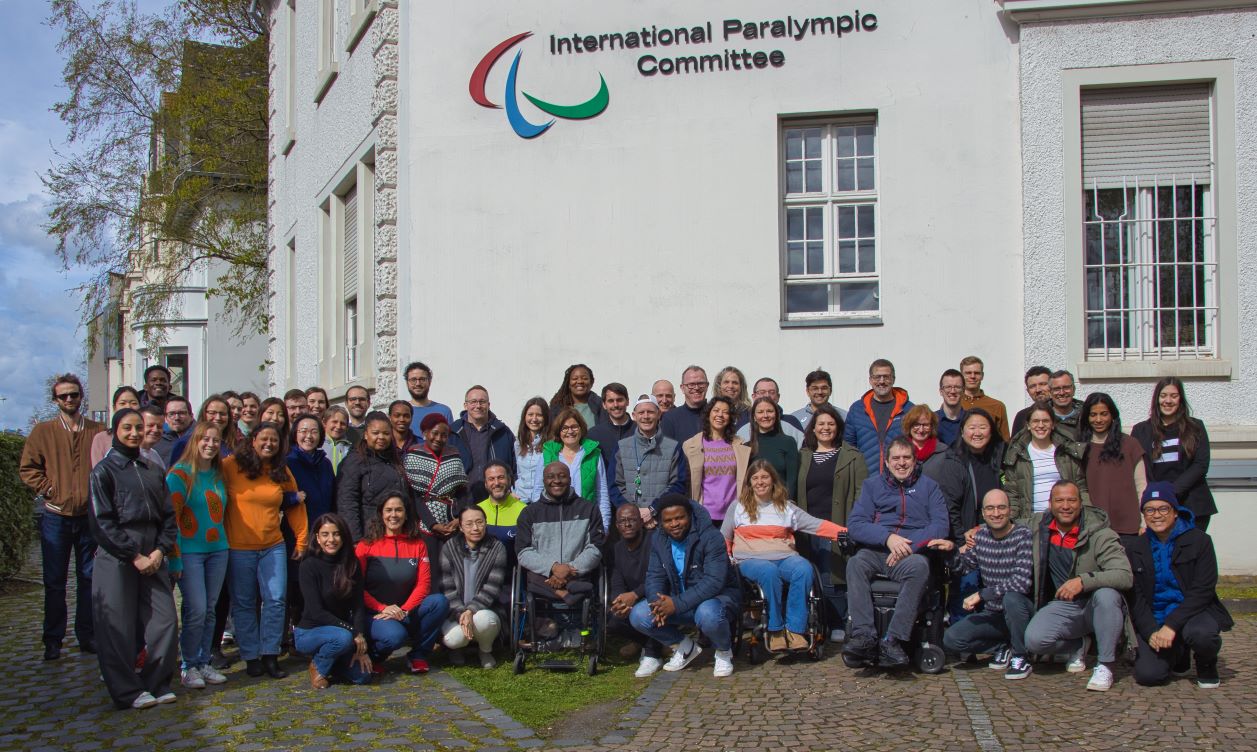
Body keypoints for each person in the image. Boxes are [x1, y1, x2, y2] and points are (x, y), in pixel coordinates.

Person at [87, 408, 178, 709]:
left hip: (152, 550)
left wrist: (159, 550)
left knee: (164, 620)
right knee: (117, 626)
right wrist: (133, 555)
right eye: (127, 428)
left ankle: (156, 681)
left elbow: (168, 516)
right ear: (115, 431)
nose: (134, 433)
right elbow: (102, 522)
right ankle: (126, 691)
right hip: (118, 555)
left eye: (139, 427)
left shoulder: (153, 470)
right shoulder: (103, 472)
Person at [842, 438, 949, 669]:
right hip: (877, 550)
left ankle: (893, 639)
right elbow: (856, 524)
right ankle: (864, 636)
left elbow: (940, 525)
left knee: (920, 567)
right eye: (896, 459)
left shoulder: (929, 487)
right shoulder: (872, 486)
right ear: (887, 462)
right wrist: (888, 538)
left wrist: (908, 546)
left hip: (910, 554)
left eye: (906, 458)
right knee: (855, 564)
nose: (901, 463)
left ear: (914, 460)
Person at [20, 373, 105, 660]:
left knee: (88, 579)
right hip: (55, 517)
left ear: (82, 396)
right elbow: (29, 468)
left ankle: (87, 635)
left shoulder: (97, 430)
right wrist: (48, 488)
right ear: (55, 400)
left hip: (88, 517)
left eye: (74, 394)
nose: (70, 399)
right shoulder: (43, 432)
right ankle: (53, 639)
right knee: (55, 582)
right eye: (63, 396)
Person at [723, 461, 844, 652]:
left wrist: (844, 533)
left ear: (773, 481)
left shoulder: (786, 508)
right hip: (750, 560)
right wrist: (727, 558)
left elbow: (816, 525)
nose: (760, 482)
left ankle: (794, 630)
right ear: (749, 482)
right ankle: (775, 630)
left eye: (765, 477)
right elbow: (725, 538)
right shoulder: (737, 507)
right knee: (768, 571)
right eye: (755, 478)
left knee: (803, 569)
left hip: (784, 557)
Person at [1024, 481, 1132, 692]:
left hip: (1096, 604)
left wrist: (1083, 581)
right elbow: (1007, 523)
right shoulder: (1040, 526)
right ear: (1050, 504)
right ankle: (1078, 645)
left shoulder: (1101, 533)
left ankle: (1105, 664)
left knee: (1107, 595)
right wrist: (974, 531)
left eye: (1071, 500)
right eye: (1060, 500)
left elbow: (1124, 575)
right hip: (1066, 606)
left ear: (1081, 503)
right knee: (1034, 641)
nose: (1066, 506)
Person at [222, 421, 308, 679]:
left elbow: (296, 504)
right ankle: (250, 656)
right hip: (239, 547)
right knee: (244, 603)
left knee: (276, 599)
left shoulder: (280, 470)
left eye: (274, 440)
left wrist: (302, 539)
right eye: (264, 439)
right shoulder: (230, 466)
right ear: (253, 440)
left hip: (273, 546)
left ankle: (270, 654)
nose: (269, 444)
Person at [1126, 483, 1231, 688]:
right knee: (1148, 675)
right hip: (1156, 616)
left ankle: (1206, 661)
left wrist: (1171, 626)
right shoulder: (1135, 547)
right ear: (1144, 515)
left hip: (1193, 613)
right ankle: (1178, 652)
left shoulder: (1200, 541)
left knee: (1202, 635)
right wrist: (1150, 632)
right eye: (1150, 509)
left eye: (1163, 508)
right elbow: (1135, 596)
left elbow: (1203, 590)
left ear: (1175, 512)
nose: (1156, 515)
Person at [628, 493, 740, 678]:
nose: (674, 524)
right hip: (679, 599)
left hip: (715, 599)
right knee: (639, 615)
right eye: (668, 520)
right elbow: (654, 575)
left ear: (689, 516)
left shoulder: (711, 537)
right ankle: (684, 646)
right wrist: (657, 603)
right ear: (661, 522)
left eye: (680, 517)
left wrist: (676, 604)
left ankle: (723, 651)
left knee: (708, 614)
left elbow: (714, 581)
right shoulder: (659, 539)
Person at [931, 489, 1035, 679]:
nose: (996, 513)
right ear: (984, 513)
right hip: (994, 614)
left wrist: (982, 595)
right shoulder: (982, 536)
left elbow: (1022, 582)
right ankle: (1004, 647)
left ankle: (1021, 657)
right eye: (990, 508)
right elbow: (963, 567)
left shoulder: (1023, 535)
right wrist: (950, 551)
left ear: (1010, 510)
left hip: (1019, 611)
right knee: (951, 639)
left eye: (1001, 507)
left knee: (1011, 598)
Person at [166, 421, 231, 689]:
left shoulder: (218, 474)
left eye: (216, 440)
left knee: (211, 610)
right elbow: (172, 519)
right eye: (205, 439)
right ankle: (188, 665)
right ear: (194, 441)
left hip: (218, 550)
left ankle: (204, 660)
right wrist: (175, 557)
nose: (210, 444)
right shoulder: (179, 475)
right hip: (189, 552)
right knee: (196, 609)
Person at [356, 494, 449, 674]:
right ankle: (375, 657)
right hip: (376, 613)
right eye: (388, 510)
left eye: (399, 510)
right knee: (394, 636)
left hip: (405, 610)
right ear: (381, 514)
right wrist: (382, 608)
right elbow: (357, 586)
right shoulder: (366, 545)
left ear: (406, 514)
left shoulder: (418, 544)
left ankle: (418, 656)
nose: (394, 515)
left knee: (439, 602)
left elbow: (424, 584)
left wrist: (405, 610)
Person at [796, 404, 867, 637]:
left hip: (835, 525)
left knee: (832, 577)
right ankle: (814, 622)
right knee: (808, 575)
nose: (826, 428)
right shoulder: (803, 456)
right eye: (821, 424)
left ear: (838, 427)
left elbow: (860, 494)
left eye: (830, 424)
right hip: (806, 526)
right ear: (813, 429)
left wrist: (854, 525)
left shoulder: (852, 456)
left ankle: (836, 622)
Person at [295, 513, 372, 688]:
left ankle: (334, 664)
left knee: (363, 677)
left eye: (336, 534)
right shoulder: (309, 565)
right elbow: (316, 611)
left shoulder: (351, 564)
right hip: (310, 632)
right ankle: (319, 667)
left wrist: (361, 648)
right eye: (325, 534)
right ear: (317, 537)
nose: (331, 539)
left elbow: (358, 605)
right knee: (342, 638)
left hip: (341, 632)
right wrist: (353, 632)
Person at [1131, 377, 1216, 532]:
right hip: (1156, 506)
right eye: (1163, 396)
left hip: (1191, 504)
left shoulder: (1196, 427)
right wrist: (1158, 498)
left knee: (1190, 553)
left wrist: (1171, 492)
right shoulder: (1141, 431)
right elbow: (1139, 468)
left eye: (1174, 396)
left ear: (1180, 399)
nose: (1168, 401)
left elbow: (1201, 465)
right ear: (1157, 399)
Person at [515, 462, 604, 606]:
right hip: (544, 575)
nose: (556, 480)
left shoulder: (589, 509)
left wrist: (567, 569)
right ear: (543, 481)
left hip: (577, 574)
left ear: (570, 479)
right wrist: (553, 567)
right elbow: (523, 552)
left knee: (588, 577)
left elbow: (596, 548)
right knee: (531, 578)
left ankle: (566, 590)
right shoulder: (529, 513)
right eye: (550, 477)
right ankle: (566, 594)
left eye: (562, 476)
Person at [440, 505, 507, 668]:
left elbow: (492, 588)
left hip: (486, 610)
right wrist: (462, 613)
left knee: (485, 622)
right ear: (461, 527)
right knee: (452, 639)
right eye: (469, 524)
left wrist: (470, 611)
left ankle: (485, 650)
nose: (475, 528)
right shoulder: (449, 547)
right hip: (456, 612)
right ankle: (457, 649)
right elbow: (447, 589)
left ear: (486, 523)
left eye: (480, 522)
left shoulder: (497, 548)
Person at [1003, 406, 1088, 524]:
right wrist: (1012, 522)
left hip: (1063, 520)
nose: (1041, 425)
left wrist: (1087, 519)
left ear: (1053, 424)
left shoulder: (1066, 451)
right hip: (1029, 520)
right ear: (1028, 425)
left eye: (1046, 421)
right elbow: (1012, 493)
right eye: (1036, 421)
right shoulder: (1017, 454)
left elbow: (1081, 488)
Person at [1081, 393, 1147, 543]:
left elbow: (1141, 486)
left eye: (1104, 414)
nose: (1098, 420)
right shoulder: (1079, 447)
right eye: (1093, 415)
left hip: (1128, 527)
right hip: (1092, 527)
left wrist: (1144, 521)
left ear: (1112, 415)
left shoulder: (1130, 445)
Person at [606, 504, 663, 673]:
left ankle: (653, 654)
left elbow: (659, 577)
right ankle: (649, 643)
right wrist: (620, 601)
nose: (627, 525)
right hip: (632, 600)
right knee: (613, 619)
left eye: (632, 520)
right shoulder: (616, 549)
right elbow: (616, 580)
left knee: (647, 609)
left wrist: (635, 594)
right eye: (622, 521)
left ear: (640, 522)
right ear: (617, 526)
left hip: (655, 595)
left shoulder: (654, 541)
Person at [336, 411, 409, 541]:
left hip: (395, 532)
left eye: (386, 433)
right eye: (375, 433)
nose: (381, 437)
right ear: (365, 434)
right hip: (367, 534)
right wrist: (355, 540)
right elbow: (347, 503)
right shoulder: (354, 461)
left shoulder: (395, 460)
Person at [404, 414, 469, 555]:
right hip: (426, 522)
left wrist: (460, 518)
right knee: (431, 567)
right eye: (435, 433)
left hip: (453, 521)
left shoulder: (453, 455)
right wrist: (432, 524)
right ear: (425, 433)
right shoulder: (414, 455)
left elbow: (462, 490)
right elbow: (415, 495)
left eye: (444, 435)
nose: (439, 438)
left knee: (453, 566)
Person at [681, 396, 751, 527]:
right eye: (716, 410)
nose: (720, 415)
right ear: (708, 414)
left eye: (725, 412)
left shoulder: (740, 445)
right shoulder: (692, 445)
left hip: (733, 514)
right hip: (703, 515)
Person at [615, 396, 684, 526]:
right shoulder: (621, 447)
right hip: (630, 523)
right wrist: (635, 512)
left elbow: (678, 484)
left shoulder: (674, 447)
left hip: (663, 520)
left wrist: (653, 509)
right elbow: (615, 485)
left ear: (658, 414)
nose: (646, 416)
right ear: (634, 416)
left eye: (650, 412)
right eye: (641, 413)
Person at [542, 408, 611, 530]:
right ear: (559, 431)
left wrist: (604, 526)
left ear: (581, 428)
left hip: (585, 520)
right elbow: (538, 490)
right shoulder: (548, 454)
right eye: (565, 428)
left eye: (574, 427)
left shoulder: (593, 454)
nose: (570, 431)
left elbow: (602, 493)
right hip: (554, 521)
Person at [844, 359, 913, 475]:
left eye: (886, 377)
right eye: (877, 377)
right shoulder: (857, 409)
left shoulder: (908, 410)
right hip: (865, 480)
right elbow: (848, 447)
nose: (882, 381)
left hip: (898, 480)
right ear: (870, 380)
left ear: (893, 379)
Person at [448, 385, 517, 497]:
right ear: (465, 405)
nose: (478, 406)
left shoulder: (503, 432)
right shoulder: (453, 432)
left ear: (489, 405)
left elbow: (514, 466)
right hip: (463, 498)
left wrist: (514, 490)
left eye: (482, 402)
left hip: (496, 497)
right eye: (473, 402)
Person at [745, 397, 800, 495]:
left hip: (782, 504)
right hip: (755, 505)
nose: (765, 415)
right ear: (754, 417)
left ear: (776, 414)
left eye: (769, 411)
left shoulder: (788, 442)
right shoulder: (747, 447)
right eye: (760, 412)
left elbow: (792, 481)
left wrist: (786, 505)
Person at [288, 415, 336, 523]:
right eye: (303, 431)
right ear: (295, 435)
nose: (309, 436)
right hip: (297, 529)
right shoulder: (288, 463)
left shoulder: (325, 463)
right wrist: (293, 498)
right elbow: (278, 496)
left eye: (314, 432)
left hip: (323, 527)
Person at [479, 460, 526, 562]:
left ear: (509, 480)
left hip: (512, 573)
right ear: (486, 484)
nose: (496, 483)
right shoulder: (477, 511)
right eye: (491, 479)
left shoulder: (524, 511)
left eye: (501, 477)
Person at [169, 395, 238, 465]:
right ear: (203, 414)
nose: (218, 418)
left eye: (222, 414)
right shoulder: (184, 443)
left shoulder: (235, 444)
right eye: (212, 413)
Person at [958, 356, 1010, 442]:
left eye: (977, 373)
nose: (972, 376)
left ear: (982, 376)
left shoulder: (997, 406)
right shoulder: (953, 405)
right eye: (968, 373)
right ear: (961, 376)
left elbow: (1005, 441)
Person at [587, 382, 635, 470]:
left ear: (627, 401)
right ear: (604, 405)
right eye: (611, 401)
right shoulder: (593, 435)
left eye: (620, 400)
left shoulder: (640, 431)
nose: (616, 405)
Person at [90, 386, 141, 466]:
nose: (128, 407)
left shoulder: (143, 437)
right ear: (114, 408)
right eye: (122, 403)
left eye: (133, 403)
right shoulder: (101, 438)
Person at [403, 361, 454, 441]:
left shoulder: (443, 411)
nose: (418, 383)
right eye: (413, 380)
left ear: (429, 382)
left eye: (422, 379)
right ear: (407, 383)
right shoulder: (401, 414)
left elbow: (450, 442)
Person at [512, 397, 550, 503]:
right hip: (521, 500)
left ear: (546, 418)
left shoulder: (551, 444)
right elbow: (517, 473)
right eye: (530, 414)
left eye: (539, 415)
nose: (534, 419)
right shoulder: (518, 443)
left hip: (542, 500)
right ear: (525, 416)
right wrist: (512, 492)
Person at [549, 363, 603, 430]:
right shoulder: (557, 408)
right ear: (568, 383)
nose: (580, 381)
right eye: (575, 378)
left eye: (585, 378)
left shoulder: (602, 406)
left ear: (592, 382)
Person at [661, 365, 708, 441]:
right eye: (691, 385)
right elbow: (666, 451)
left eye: (701, 384)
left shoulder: (717, 415)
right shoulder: (670, 418)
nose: (696, 388)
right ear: (682, 388)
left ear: (707, 386)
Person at [1010, 366, 1052, 437]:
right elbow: (1014, 445)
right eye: (1032, 386)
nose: (1038, 390)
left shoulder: (1063, 413)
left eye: (1042, 384)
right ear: (1028, 391)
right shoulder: (1022, 416)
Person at [154, 396, 194, 466]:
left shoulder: (200, 438)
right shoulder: (158, 441)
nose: (177, 418)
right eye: (171, 414)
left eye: (181, 413)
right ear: (165, 418)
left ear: (191, 416)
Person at [1047, 370, 1085, 440]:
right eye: (1057, 389)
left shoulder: (1086, 417)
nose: (1062, 393)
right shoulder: (1041, 418)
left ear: (1073, 390)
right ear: (1050, 392)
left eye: (1066, 387)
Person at [935, 369, 966, 447]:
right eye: (948, 387)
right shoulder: (931, 421)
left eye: (957, 387)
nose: (952, 391)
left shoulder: (971, 420)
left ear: (963, 391)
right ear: (941, 391)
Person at [321, 405, 353, 473]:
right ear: (324, 422)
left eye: (343, 423)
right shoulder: (317, 445)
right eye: (334, 422)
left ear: (347, 427)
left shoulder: (351, 449)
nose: (338, 426)